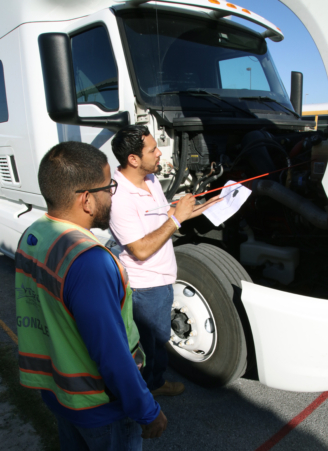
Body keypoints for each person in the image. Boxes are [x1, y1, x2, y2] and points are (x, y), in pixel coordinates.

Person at [15, 141, 167, 451]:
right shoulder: (89, 261)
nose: (113, 194)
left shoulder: (33, 235)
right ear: (86, 200)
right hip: (99, 408)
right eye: (109, 186)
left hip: (59, 394)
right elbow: (110, 353)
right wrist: (147, 411)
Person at [110, 125, 220, 397]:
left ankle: (149, 383)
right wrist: (177, 218)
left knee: (154, 341)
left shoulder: (149, 179)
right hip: (146, 287)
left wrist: (201, 206)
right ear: (133, 159)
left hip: (160, 279)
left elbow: (163, 217)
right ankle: (151, 388)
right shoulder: (119, 198)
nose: (160, 153)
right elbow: (140, 250)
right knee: (153, 344)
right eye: (152, 149)